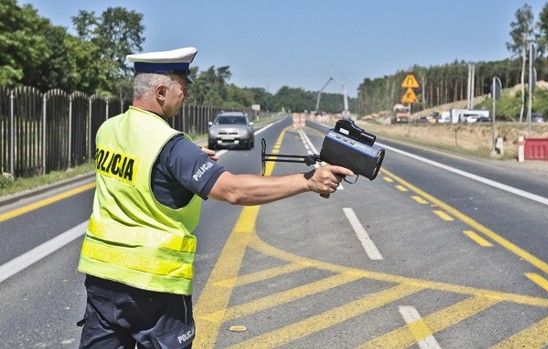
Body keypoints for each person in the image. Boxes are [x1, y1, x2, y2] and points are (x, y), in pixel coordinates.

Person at [76, 47, 353, 349]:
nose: (186, 97)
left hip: (102, 280)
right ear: (160, 91)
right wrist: (308, 181)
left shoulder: (108, 129)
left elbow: (141, 173)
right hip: (153, 288)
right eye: (182, 89)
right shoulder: (172, 146)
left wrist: (186, 164)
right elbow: (234, 190)